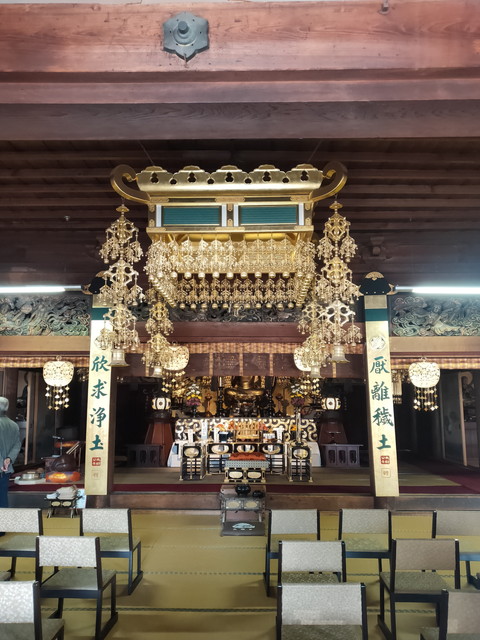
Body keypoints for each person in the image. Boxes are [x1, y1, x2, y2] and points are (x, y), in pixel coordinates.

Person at [0, 397, 22, 517]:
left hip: (1, 466)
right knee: (3, 497)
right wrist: (8, 459)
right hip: (6, 468)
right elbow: (17, 445)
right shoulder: (14, 425)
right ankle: (3, 524)